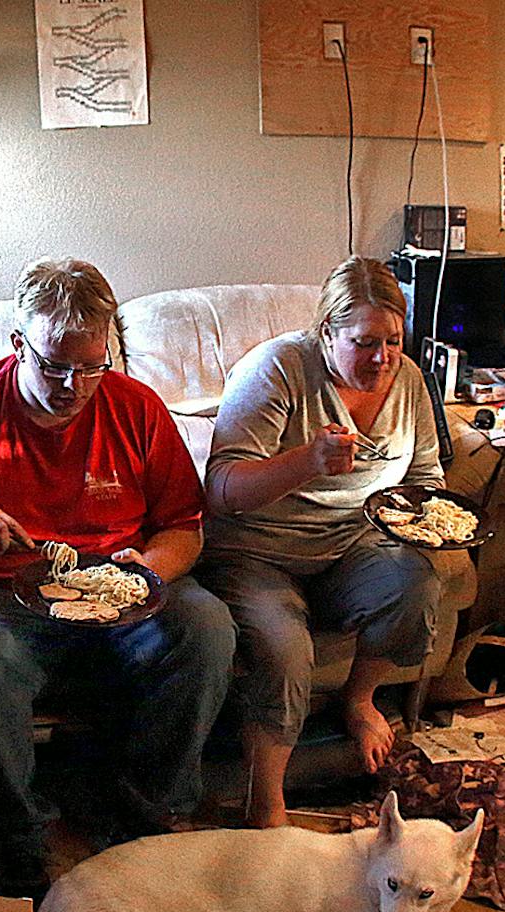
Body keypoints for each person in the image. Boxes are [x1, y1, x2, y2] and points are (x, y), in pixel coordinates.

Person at [0, 257, 235, 895]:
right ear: (18, 344)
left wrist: (148, 570)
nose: (72, 384)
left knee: (206, 627)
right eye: (53, 364)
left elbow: (185, 526)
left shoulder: (136, 408)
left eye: (91, 367)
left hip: (113, 583)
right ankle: (13, 836)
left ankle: (147, 807)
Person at [200, 256, 467, 828]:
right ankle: (266, 804)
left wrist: (425, 517)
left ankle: (359, 698)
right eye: (365, 342)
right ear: (327, 333)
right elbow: (221, 489)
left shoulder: (409, 380)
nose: (383, 358)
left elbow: (425, 478)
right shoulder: (278, 370)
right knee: (285, 650)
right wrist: (306, 462)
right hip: (258, 550)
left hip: (352, 543)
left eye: (394, 341)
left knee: (417, 582)